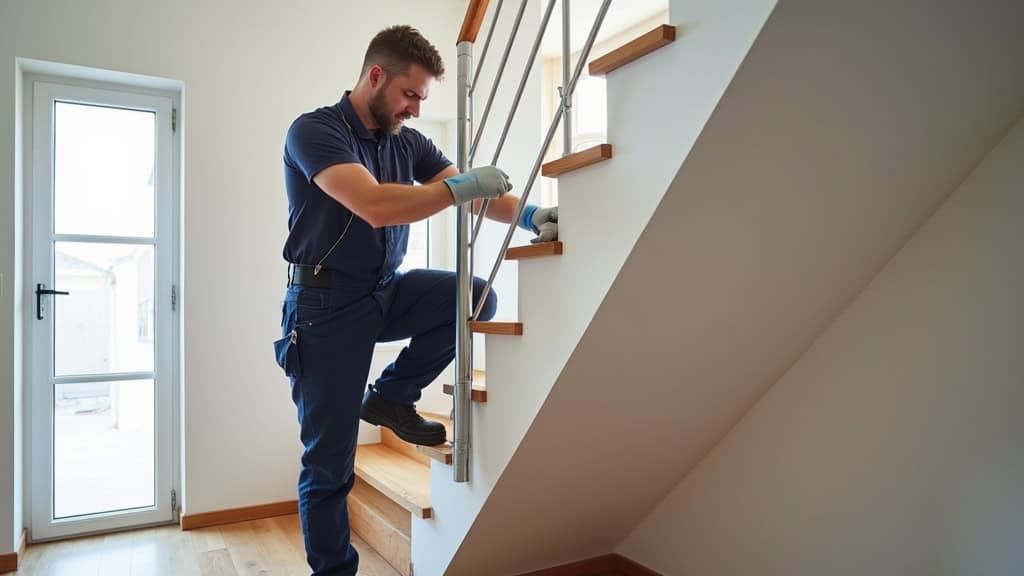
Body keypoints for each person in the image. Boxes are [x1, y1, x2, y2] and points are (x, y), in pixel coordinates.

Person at [273, 25, 558, 576]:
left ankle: (391, 397)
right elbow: (377, 205)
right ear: (376, 76)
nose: (416, 108)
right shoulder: (315, 131)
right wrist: (462, 188)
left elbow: (472, 197)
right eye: (411, 94)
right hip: (323, 306)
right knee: (329, 465)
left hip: (384, 290)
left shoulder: (407, 143)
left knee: (474, 296)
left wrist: (529, 216)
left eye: (423, 98)